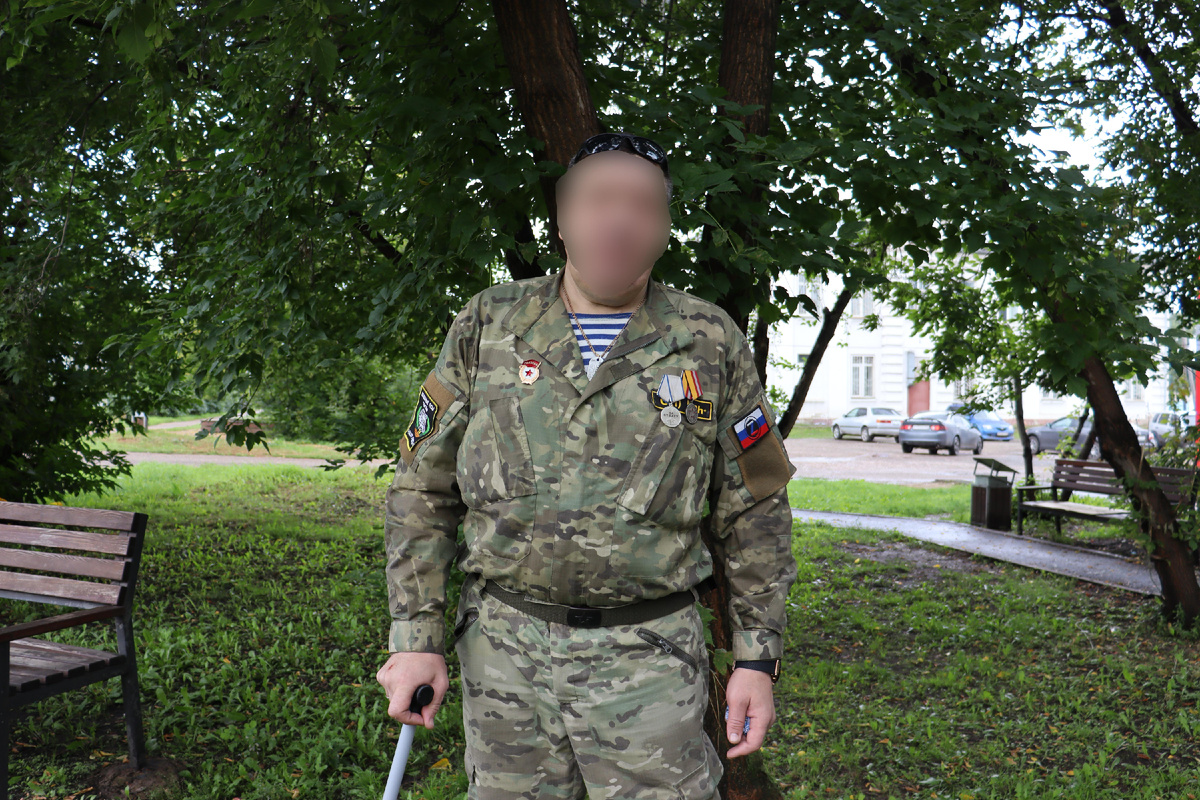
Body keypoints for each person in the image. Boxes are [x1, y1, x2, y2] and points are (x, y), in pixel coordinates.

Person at [376, 131, 798, 799]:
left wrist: (756, 659)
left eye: (642, 206)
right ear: (563, 218)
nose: (619, 220)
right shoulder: (489, 324)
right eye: (598, 201)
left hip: (650, 666)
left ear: (664, 229)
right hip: (504, 661)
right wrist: (415, 638)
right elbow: (422, 488)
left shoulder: (709, 339)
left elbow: (757, 509)